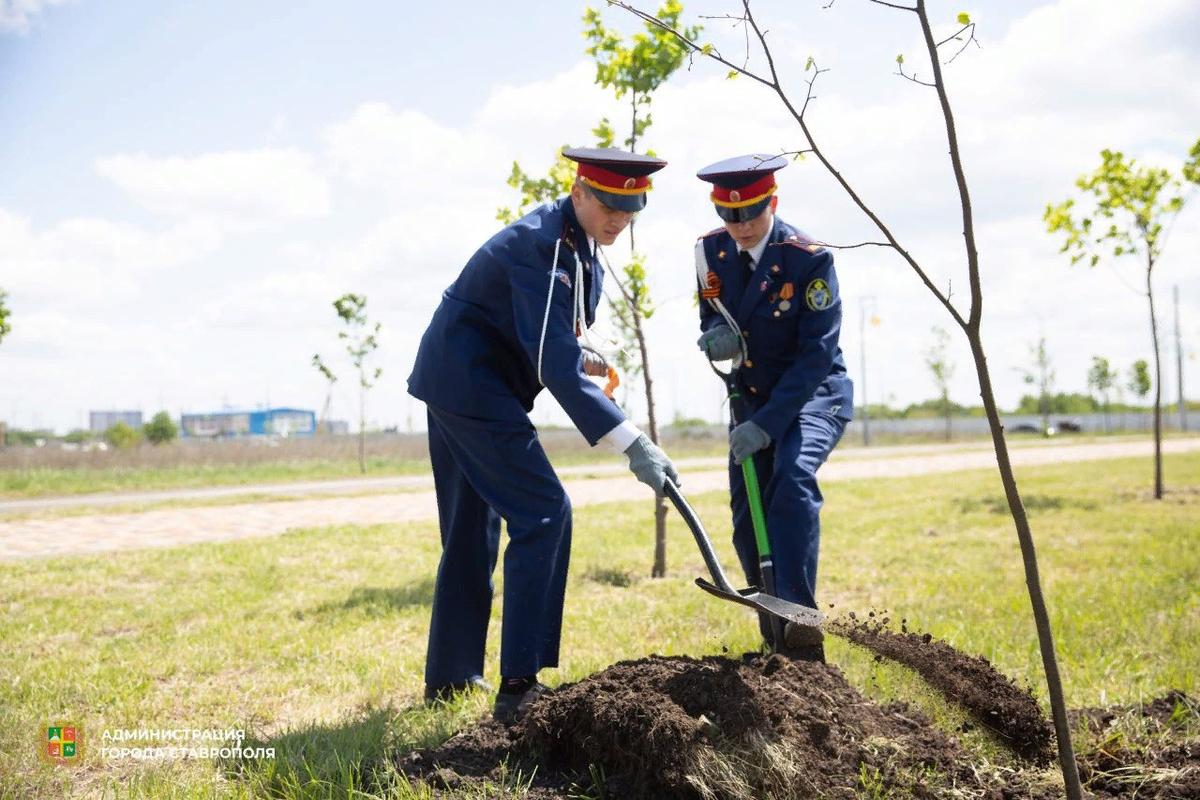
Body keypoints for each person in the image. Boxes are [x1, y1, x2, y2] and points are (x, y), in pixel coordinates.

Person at [408, 147, 679, 723]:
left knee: (470, 532)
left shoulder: (578, 246)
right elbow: (551, 364)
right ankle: (519, 687)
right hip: (473, 387)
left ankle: (452, 678)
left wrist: (584, 361)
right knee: (545, 512)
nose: (618, 219)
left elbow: (551, 339)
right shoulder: (547, 248)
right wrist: (632, 442)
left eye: (630, 210)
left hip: (459, 380)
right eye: (608, 205)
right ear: (579, 191)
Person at [692, 154, 853, 662]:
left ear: (773, 203)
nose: (739, 226)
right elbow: (712, 316)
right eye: (728, 215)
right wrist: (713, 337)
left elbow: (816, 354)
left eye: (750, 214)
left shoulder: (808, 259)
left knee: (791, 480)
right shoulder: (709, 254)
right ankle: (774, 636)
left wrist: (768, 424)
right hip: (751, 399)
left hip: (812, 396)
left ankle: (802, 627)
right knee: (746, 515)